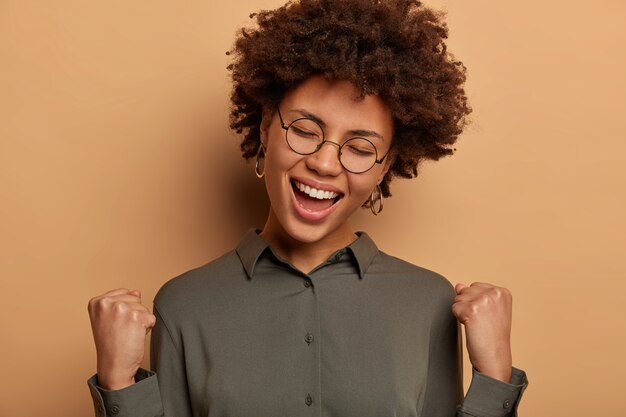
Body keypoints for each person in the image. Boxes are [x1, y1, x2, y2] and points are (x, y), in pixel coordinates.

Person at [87, 1, 528, 416]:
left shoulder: (431, 304)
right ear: (265, 128)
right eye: (303, 129)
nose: (323, 162)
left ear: (384, 167)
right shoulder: (184, 305)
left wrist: (494, 378)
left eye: (359, 147)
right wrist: (119, 384)